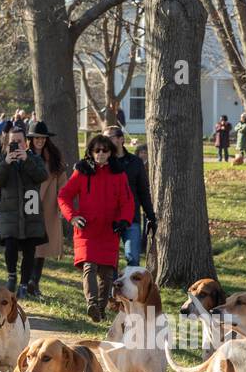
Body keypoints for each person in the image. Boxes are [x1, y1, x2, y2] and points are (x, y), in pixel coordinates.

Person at [57, 134, 134, 322]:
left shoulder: (119, 174)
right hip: (87, 229)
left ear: (110, 153)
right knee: (89, 267)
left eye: (104, 150)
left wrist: (124, 220)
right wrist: (72, 217)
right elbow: (64, 196)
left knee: (107, 274)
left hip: (109, 230)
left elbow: (127, 201)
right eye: (97, 150)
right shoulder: (82, 172)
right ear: (91, 152)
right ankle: (91, 303)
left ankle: (100, 310)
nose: (100, 153)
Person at [0, 127, 46, 294]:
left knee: (30, 249)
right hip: (9, 211)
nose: (16, 145)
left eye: (19, 141)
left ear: (26, 142)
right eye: (13, 142)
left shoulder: (34, 158)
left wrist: (26, 159)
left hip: (31, 208)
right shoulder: (2, 159)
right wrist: (7, 163)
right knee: (10, 245)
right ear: (7, 143)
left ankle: (24, 284)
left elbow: (42, 176)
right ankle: (11, 276)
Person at [24, 120, 66, 300]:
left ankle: (34, 282)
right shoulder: (25, 156)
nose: (39, 141)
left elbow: (63, 184)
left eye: (42, 138)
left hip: (48, 206)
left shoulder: (54, 158)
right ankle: (25, 282)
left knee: (41, 246)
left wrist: (62, 206)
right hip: (29, 203)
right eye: (36, 138)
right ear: (31, 139)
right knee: (30, 245)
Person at [105, 124, 156, 267]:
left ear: (121, 139)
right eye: (104, 138)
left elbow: (143, 191)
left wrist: (150, 215)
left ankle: (131, 289)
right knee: (109, 261)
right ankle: (112, 289)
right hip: (108, 219)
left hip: (131, 218)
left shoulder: (135, 162)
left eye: (109, 137)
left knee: (133, 258)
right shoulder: (103, 162)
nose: (106, 141)